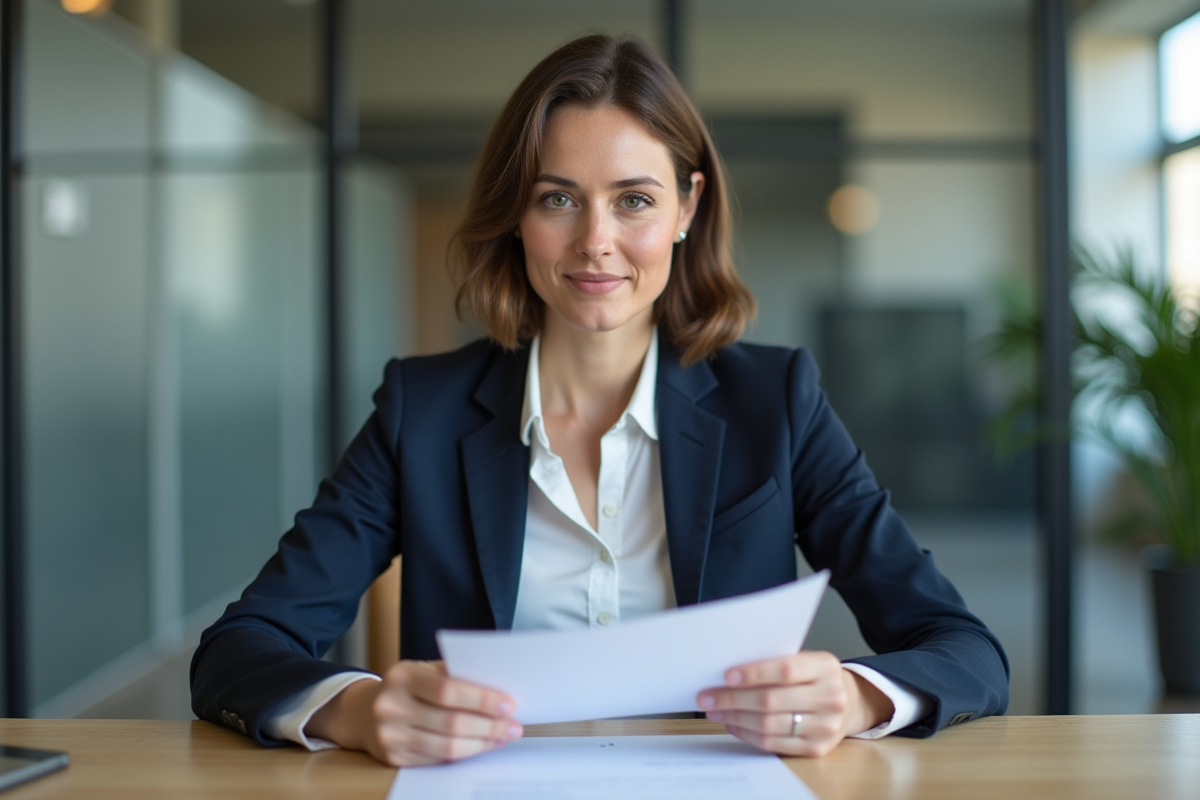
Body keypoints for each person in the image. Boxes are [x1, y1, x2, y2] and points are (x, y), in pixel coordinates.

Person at [190, 33, 1008, 768]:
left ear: (687, 207)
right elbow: (239, 649)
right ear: (517, 213)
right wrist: (360, 708)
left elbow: (962, 648)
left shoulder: (777, 400)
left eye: (635, 199)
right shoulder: (422, 412)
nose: (595, 241)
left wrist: (858, 696)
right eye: (558, 198)